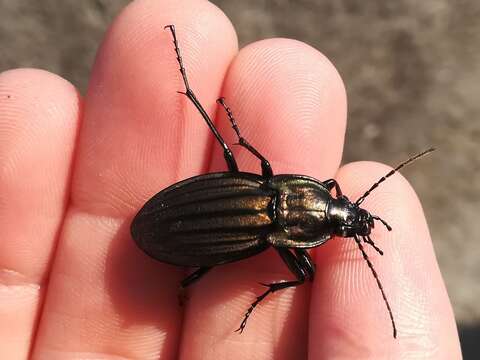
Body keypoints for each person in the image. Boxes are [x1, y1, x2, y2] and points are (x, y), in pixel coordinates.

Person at [0, 0, 461, 358]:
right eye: (345, 218)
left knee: (228, 147)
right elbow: (313, 231)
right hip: (181, 222)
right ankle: (188, 86)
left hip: (186, 219)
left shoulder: (275, 190)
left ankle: (191, 90)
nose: (347, 217)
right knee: (248, 246)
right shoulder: (282, 233)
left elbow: (312, 186)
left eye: (343, 220)